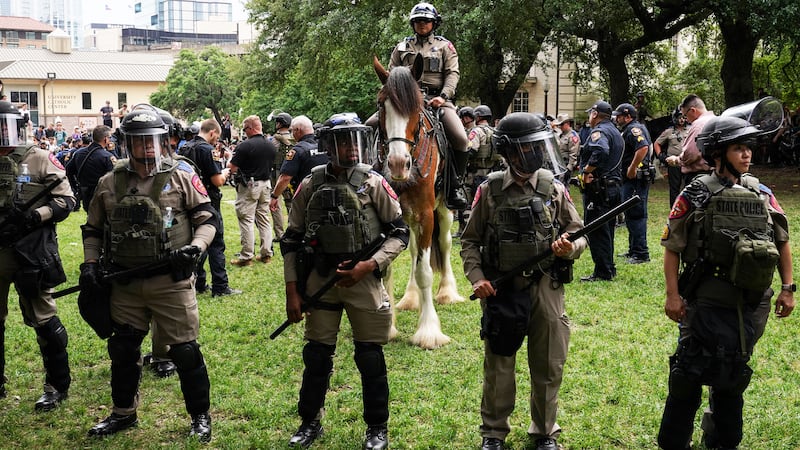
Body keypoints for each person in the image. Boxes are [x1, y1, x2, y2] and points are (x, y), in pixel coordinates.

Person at [657, 116, 795, 450]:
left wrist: (789, 289)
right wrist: (673, 296)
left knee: (732, 373)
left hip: (750, 301)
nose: (747, 155)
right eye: (738, 148)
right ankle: (675, 442)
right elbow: (672, 246)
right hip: (703, 299)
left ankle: (721, 440)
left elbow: (782, 241)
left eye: (749, 148)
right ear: (718, 152)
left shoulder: (762, 193)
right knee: (688, 373)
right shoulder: (695, 193)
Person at [81, 105, 217, 442]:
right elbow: (93, 229)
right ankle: (123, 413)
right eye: (139, 142)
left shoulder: (182, 176)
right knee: (124, 351)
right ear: (126, 144)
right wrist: (89, 265)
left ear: (164, 141)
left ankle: (200, 416)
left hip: (170, 282)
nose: (146, 149)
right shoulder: (109, 182)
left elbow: (207, 219)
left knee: (185, 351)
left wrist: (196, 249)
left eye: (152, 141)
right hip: (124, 283)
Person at [282, 113, 409, 450]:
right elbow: (291, 240)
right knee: (317, 356)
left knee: (369, 356)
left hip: (363, 281)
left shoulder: (375, 183)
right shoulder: (310, 184)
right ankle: (309, 421)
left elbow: (399, 234)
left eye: (355, 141)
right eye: (343, 141)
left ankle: (377, 428)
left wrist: (370, 265)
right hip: (319, 280)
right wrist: (293, 292)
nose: (351, 149)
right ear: (328, 145)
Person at [460, 112, 587, 450]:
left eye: (537, 146)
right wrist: (477, 279)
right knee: (499, 365)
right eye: (528, 147)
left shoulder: (554, 188)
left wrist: (568, 248)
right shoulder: (489, 190)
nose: (535, 153)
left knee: (548, 363)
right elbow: (470, 241)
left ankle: (545, 430)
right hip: (502, 291)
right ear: (510, 152)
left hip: (546, 288)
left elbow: (578, 232)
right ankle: (494, 432)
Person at [0, 101, 76, 410]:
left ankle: (56, 385)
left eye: (6, 125)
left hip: (31, 250)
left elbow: (68, 199)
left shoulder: (41, 158)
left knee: (43, 318)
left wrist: (37, 216)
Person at [389, 2, 469, 209]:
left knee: (461, 139)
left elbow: (453, 74)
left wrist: (443, 96)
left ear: (434, 23)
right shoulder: (401, 47)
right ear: (412, 24)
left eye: (426, 21)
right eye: (417, 21)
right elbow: (391, 76)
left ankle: (454, 187)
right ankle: (373, 177)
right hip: (406, 102)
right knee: (370, 125)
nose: (422, 24)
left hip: (437, 101)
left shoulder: (445, 47)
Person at [179, 119, 239, 297]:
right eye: (217, 137)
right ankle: (220, 286)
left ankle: (198, 282)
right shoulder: (207, 149)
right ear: (212, 132)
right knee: (216, 243)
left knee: (196, 241)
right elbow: (217, 181)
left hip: (188, 201)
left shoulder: (185, 148)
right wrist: (226, 173)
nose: (216, 141)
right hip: (208, 201)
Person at [578, 101, 623, 281]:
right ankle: (609, 267)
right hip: (612, 187)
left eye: (590, 114)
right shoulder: (615, 131)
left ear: (595, 114)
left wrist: (587, 170)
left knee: (597, 229)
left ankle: (603, 271)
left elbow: (601, 151)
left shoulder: (599, 132)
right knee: (608, 229)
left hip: (599, 189)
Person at [228, 115, 276, 265]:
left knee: (246, 219)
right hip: (266, 184)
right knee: (264, 219)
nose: (244, 132)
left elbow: (232, 167)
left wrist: (230, 157)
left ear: (250, 128)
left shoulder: (245, 146)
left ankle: (246, 256)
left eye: (244, 129)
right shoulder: (271, 145)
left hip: (250, 185)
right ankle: (266, 253)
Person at [613, 103, 652, 264]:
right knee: (630, 214)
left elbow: (643, 148)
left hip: (635, 180)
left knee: (636, 215)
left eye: (619, 116)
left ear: (628, 116)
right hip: (631, 180)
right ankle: (633, 249)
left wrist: (632, 167)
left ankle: (641, 253)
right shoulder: (629, 129)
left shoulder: (633, 129)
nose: (617, 118)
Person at [269, 115, 327, 219]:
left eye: (292, 131)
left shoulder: (298, 150)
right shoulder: (325, 146)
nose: (291, 134)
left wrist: (274, 196)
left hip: (305, 197)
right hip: (326, 195)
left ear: (298, 130)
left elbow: (285, 177)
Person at [65, 125, 115, 211]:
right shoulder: (107, 156)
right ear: (105, 139)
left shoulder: (78, 153)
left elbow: (68, 171)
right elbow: (115, 177)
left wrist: (75, 187)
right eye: (109, 137)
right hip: (103, 195)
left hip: (85, 194)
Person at [670, 94, 715, 185]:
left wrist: (677, 160)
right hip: (713, 176)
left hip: (698, 177)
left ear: (693, 110)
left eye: (685, 116)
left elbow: (691, 153)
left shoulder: (699, 125)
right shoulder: (715, 119)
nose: (686, 120)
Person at [654, 109, 689, 206]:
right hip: (673, 162)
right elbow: (657, 143)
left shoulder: (690, 130)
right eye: (679, 118)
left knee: (688, 185)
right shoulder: (668, 132)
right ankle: (674, 207)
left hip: (687, 162)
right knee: (674, 187)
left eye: (683, 118)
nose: (681, 120)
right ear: (674, 119)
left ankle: (687, 207)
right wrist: (660, 155)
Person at [269, 112, 294, 239]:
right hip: (292, 173)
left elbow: (270, 154)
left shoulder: (275, 138)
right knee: (291, 202)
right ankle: (293, 230)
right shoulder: (294, 137)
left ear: (279, 123)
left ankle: (279, 233)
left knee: (275, 202)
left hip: (277, 172)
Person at [552, 113, 580, 181]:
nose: (559, 127)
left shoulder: (573, 136)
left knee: (564, 187)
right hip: (560, 164)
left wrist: (569, 169)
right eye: (559, 125)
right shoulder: (562, 134)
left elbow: (573, 154)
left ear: (567, 123)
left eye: (561, 124)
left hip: (566, 165)